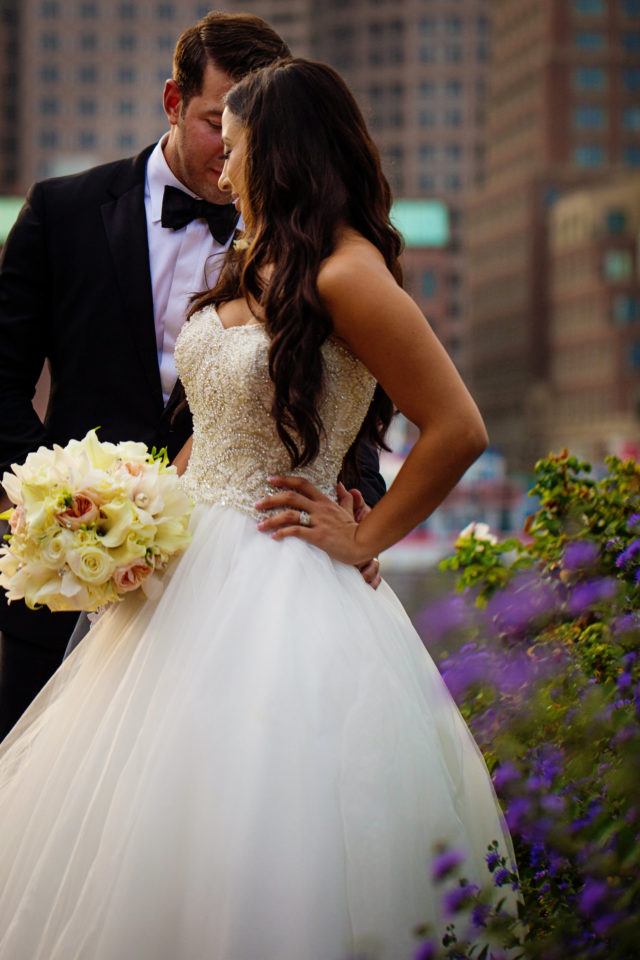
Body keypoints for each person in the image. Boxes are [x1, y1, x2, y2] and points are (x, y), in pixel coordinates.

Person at [0, 58, 517, 960]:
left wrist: (366, 533)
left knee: (262, 820)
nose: (222, 169)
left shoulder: (350, 273)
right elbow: (215, 419)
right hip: (185, 570)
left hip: (282, 580)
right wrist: (131, 518)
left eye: (233, 149)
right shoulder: (255, 257)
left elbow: (457, 426)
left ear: (277, 151)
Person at [0, 13, 385, 740]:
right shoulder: (63, 213)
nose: (230, 158)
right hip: (62, 581)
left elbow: (346, 388)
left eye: (249, 136)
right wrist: (47, 506)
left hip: (255, 593)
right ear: (173, 103)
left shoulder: (307, 245)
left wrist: (359, 511)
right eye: (219, 124)